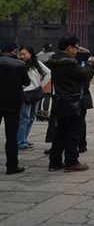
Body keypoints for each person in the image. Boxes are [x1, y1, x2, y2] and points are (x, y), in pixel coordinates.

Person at [46, 34, 94, 172]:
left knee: (59, 132)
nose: (76, 50)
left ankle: (54, 162)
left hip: (59, 100)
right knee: (73, 132)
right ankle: (71, 161)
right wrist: (90, 63)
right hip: (73, 102)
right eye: (76, 48)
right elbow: (85, 75)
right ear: (69, 48)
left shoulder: (53, 60)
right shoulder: (70, 62)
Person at [0, 40, 31, 175]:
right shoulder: (20, 64)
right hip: (12, 103)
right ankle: (12, 166)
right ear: (14, 51)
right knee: (11, 136)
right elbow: (26, 82)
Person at [17, 46, 51, 151]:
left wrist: (41, 85)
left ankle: (24, 139)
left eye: (24, 54)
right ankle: (21, 142)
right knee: (24, 118)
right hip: (25, 94)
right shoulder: (20, 65)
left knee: (31, 118)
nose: (22, 56)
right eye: (21, 54)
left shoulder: (37, 64)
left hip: (35, 93)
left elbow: (48, 73)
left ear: (30, 53)